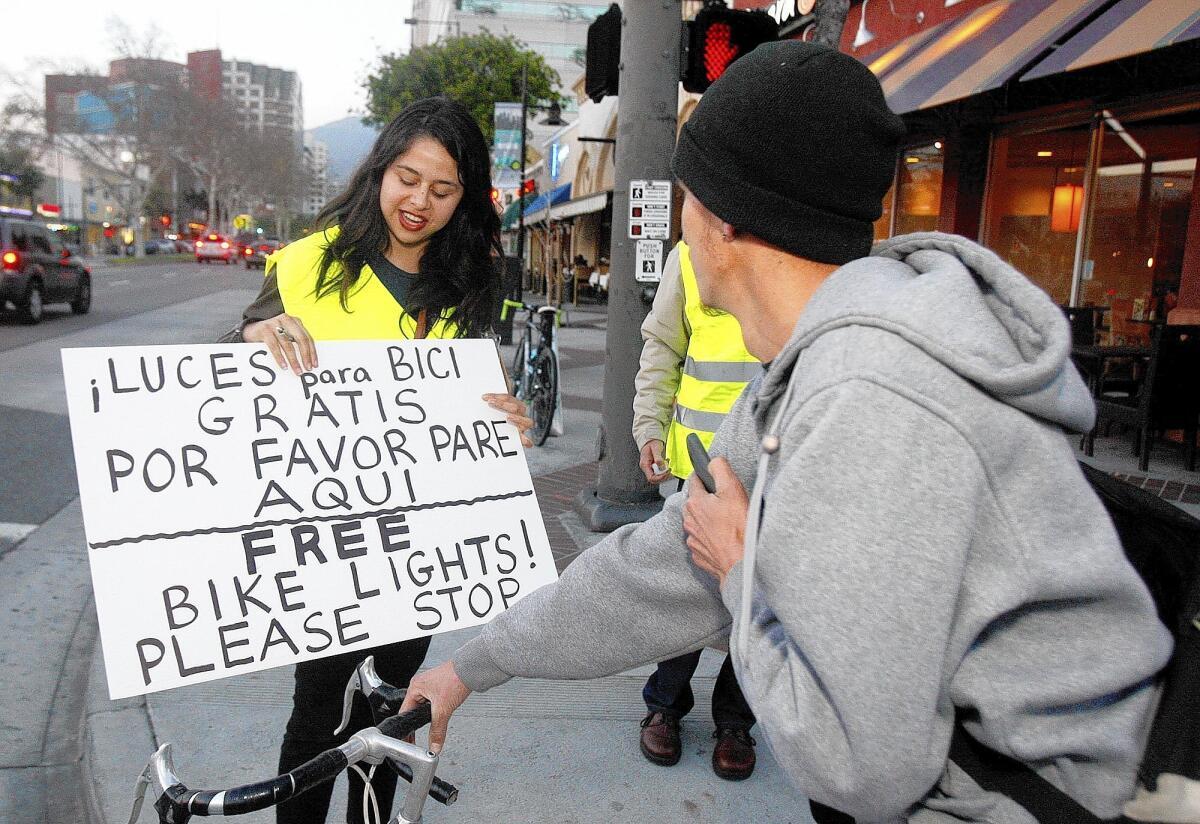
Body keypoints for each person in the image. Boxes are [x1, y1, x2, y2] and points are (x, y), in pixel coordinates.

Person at [399, 43, 1173, 822]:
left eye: (684, 194)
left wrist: (742, 564)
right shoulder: (806, 367)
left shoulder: (873, 393)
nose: (679, 218)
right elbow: (659, 564)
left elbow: (860, 765)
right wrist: (472, 666)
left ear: (721, 216)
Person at [224, 96, 533, 824]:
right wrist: (257, 338)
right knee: (317, 716)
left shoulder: (472, 285)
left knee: (390, 716)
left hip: (413, 545)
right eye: (407, 177)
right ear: (379, 171)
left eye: (443, 188)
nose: (419, 201)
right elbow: (229, 373)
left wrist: (503, 418)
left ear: (466, 197)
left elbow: (476, 396)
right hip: (323, 539)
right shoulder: (305, 264)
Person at [633, 240, 760, 779]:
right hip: (700, 466)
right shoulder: (690, 254)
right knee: (686, 592)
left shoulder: (805, 247)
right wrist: (649, 430)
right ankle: (664, 703)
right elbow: (662, 346)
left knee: (759, 600)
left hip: (780, 464)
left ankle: (735, 721)